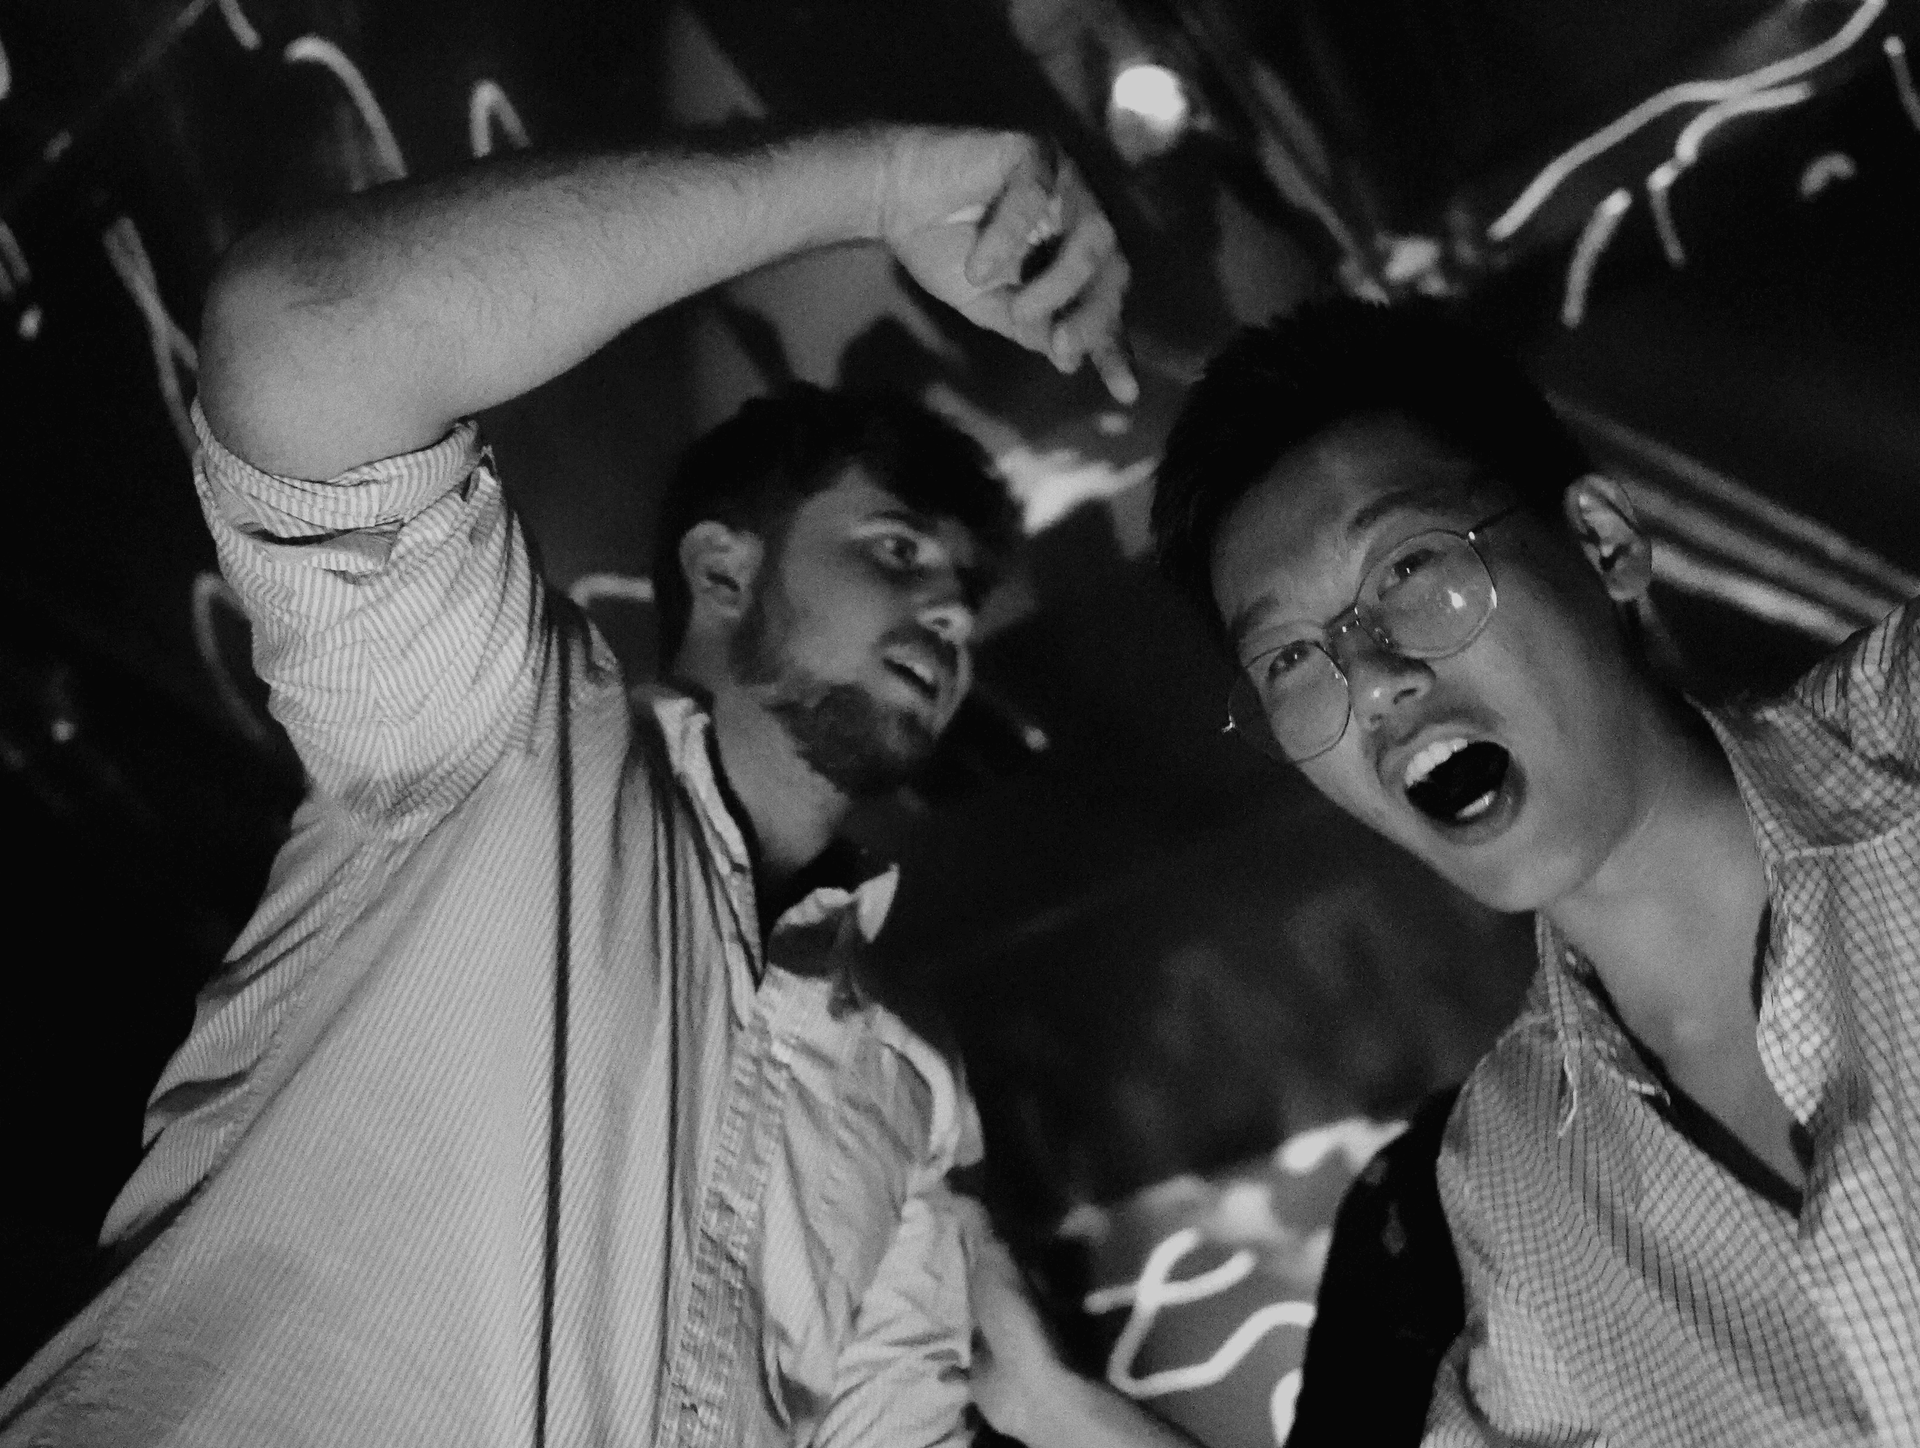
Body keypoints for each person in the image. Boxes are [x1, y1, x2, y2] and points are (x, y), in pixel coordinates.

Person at [0, 125, 1136, 1447]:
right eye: (896, 550)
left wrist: (1056, 1407)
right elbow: (302, 328)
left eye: (964, 597)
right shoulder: (513, 737)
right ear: (723, 572)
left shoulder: (910, 1080)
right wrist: (874, 187)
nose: (947, 616)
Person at [1150, 296, 1920, 1444]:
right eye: (1292, 659)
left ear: (1602, 541)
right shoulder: (1510, 1176)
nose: (1373, 675)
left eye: (1408, 565)